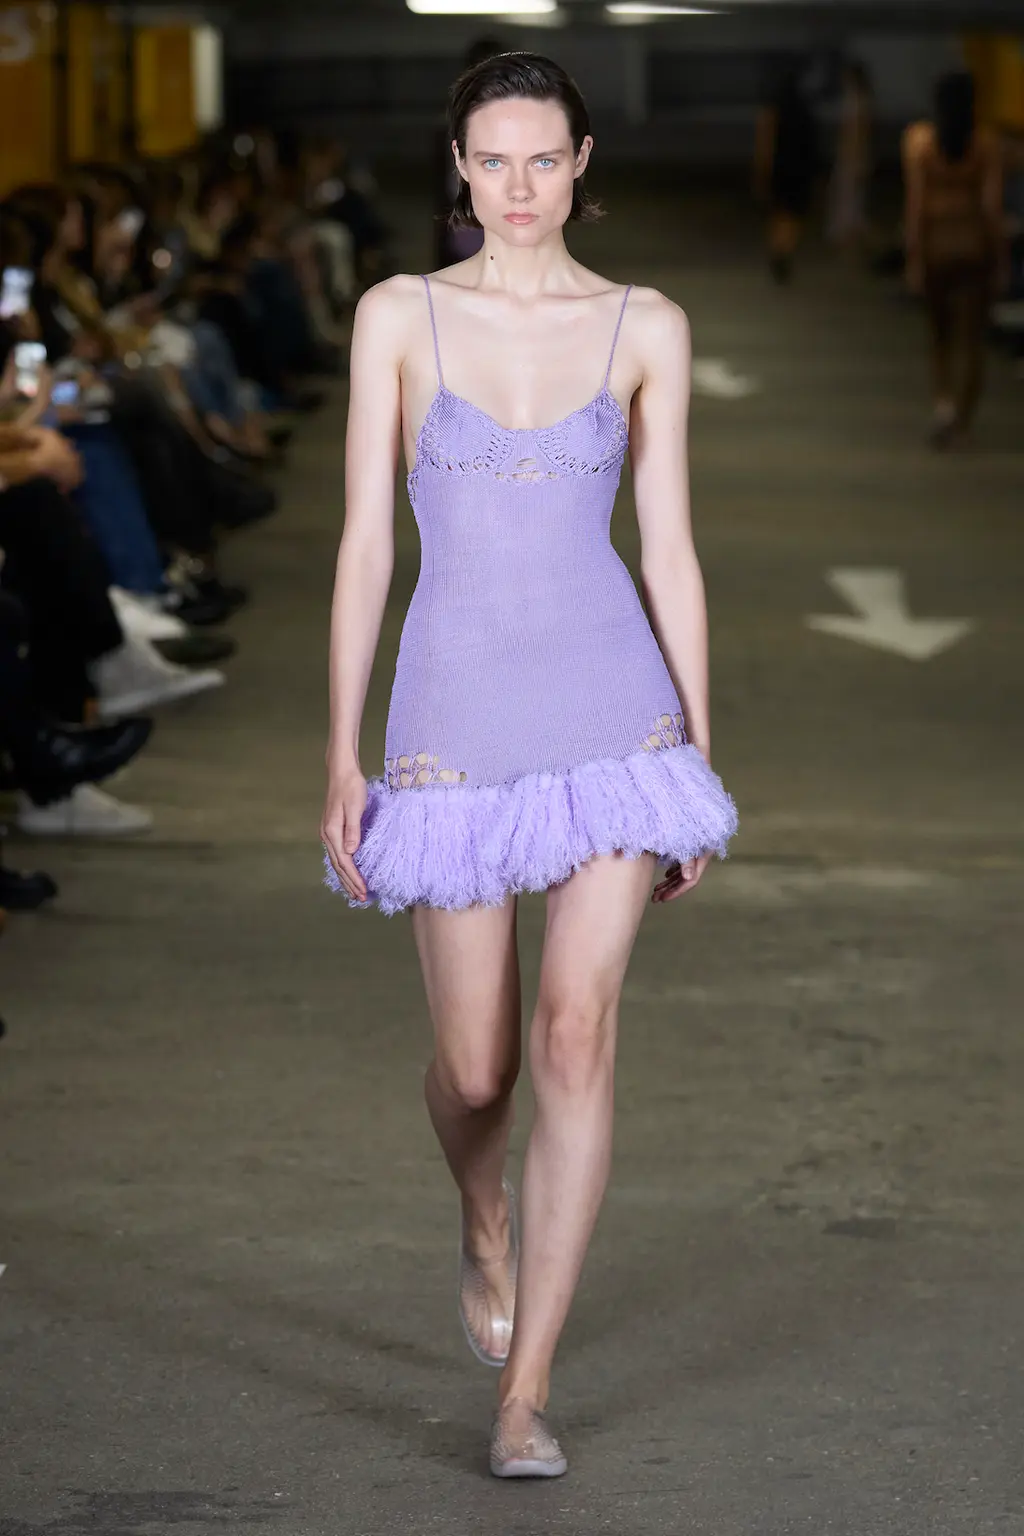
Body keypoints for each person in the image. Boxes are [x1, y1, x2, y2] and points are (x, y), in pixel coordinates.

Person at [320, 51, 737, 1478]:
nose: (516, 187)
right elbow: (366, 546)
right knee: (478, 1068)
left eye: (542, 159)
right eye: (491, 160)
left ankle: (525, 1393)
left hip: (613, 715)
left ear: (581, 163)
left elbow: (668, 550)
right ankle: (481, 1207)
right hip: (451, 717)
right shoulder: (398, 315)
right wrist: (340, 753)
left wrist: (696, 758)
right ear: (458, 165)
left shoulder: (644, 325)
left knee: (574, 1037)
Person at [902, 71, 1008, 448]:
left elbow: (916, 206)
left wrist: (913, 258)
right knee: (973, 339)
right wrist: (1001, 258)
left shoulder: (921, 143)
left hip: (936, 248)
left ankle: (943, 405)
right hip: (973, 247)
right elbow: (991, 207)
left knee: (939, 336)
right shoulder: (985, 146)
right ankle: (964, 418)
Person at [754, 65, 820, 284]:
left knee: (779, 213)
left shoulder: (773, 110)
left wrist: (762, 171)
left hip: (780, 169)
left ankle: (779, 253)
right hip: (799, 169)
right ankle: (783, 252)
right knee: (792, 215)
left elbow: (766, 144)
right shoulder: (804, 111)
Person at [826, 58, 873, 255]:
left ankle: (849, 240)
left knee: (849, 199)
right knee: (849, 198)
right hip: (850, 155)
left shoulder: (857, 102)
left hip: (852, 156)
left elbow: (857, 134)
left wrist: (853, 156)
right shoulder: (857, 100)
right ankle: (850, 239)